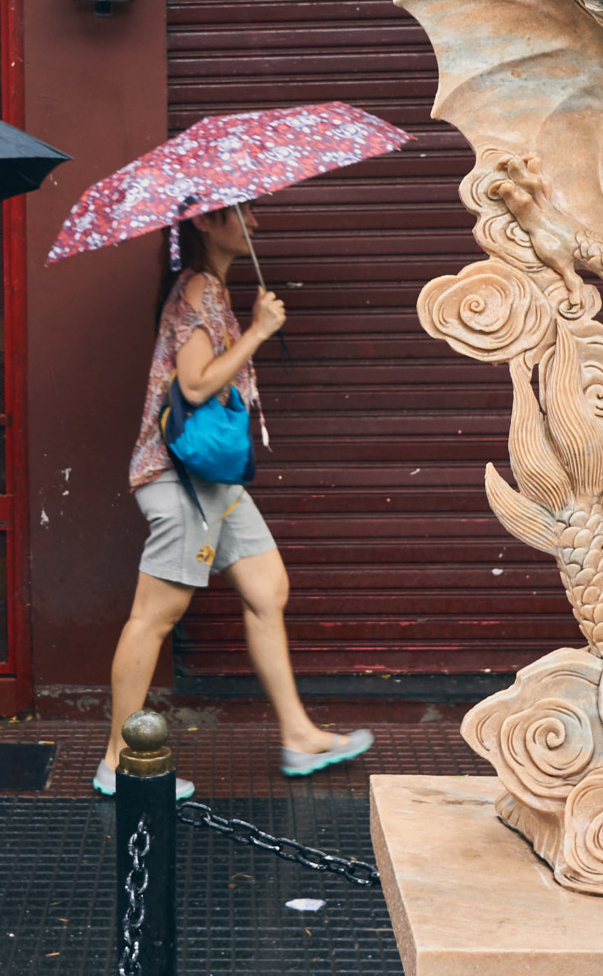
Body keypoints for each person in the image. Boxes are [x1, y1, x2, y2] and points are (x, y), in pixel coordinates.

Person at [97, 202, 372, 797]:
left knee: (267, 588)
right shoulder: (197, 290)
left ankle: (298, 734)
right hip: (180, 481)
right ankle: (118, 758)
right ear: (202, 222)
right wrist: (260, 331)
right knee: (155, 616)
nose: (254, 224)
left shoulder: (211, 290)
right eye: (239, 214)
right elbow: (195, 383)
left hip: (214, 483)